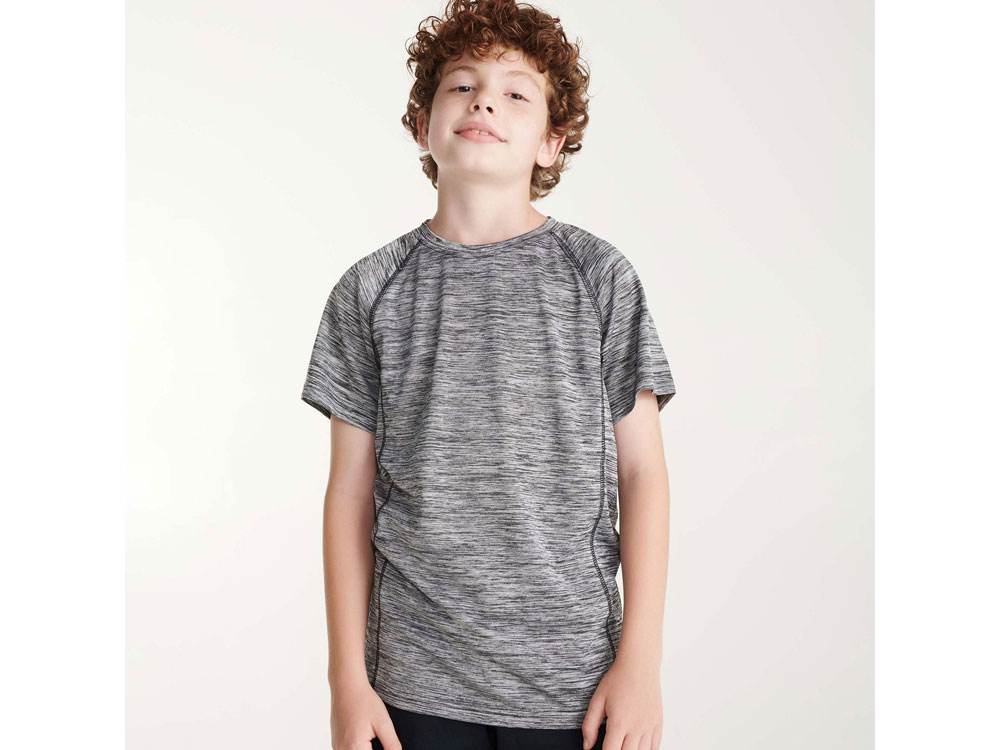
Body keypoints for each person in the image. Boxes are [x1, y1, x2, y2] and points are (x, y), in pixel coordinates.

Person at [301, 2, 677, 748]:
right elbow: (348, 494)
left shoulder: (601, 278)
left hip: (574, 682)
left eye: (515, 93)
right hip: (411, 680)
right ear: (423, 126)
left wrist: (641, 664)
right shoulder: (368, 290)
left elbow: (643, 476)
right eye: (462, 86)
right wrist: (346, 681)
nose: (484, 103)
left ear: (551, 141)